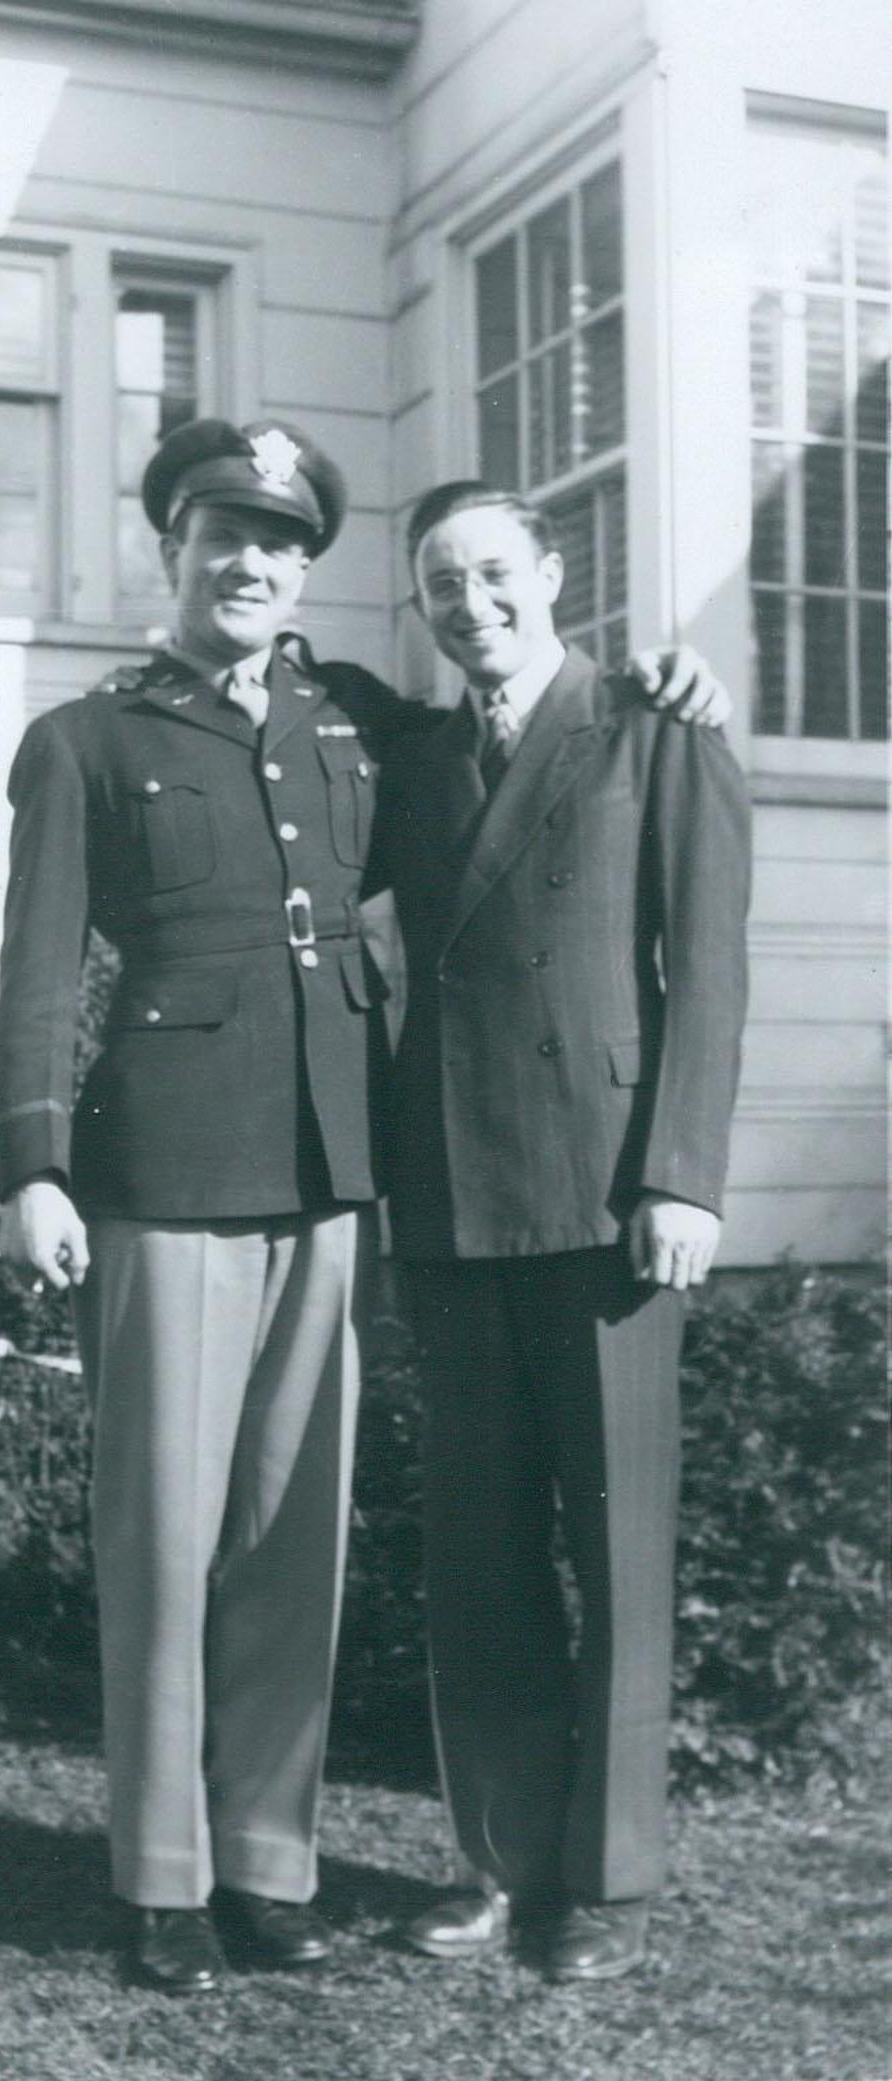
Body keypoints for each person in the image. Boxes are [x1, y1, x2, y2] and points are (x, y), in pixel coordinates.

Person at [0, 419, 728, 1995]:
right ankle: (172, 1880)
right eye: (219, 538)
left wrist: (676, 680)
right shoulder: (113, 739)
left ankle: (292, 1862)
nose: (250, 563)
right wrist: (33, 1162)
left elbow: (631, 894)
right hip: (212, 1177)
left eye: (280, 543)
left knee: (292, 1549)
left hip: (371, 1182)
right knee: (189, 1541)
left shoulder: (411, 727)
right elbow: (42, 967)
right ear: (173, 553)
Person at [368, 483, 751, 1982]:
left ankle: (601, 1878)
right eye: (439, 586)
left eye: (491, 573)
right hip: (453, 1198)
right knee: (478, 1556)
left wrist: (687, 1177)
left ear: (552, 573)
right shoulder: (410, 757)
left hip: (609, 1201)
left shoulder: (658, 724)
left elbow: (704, 970)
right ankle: (497, 1860)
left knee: (615, 1542)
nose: (469, 604)